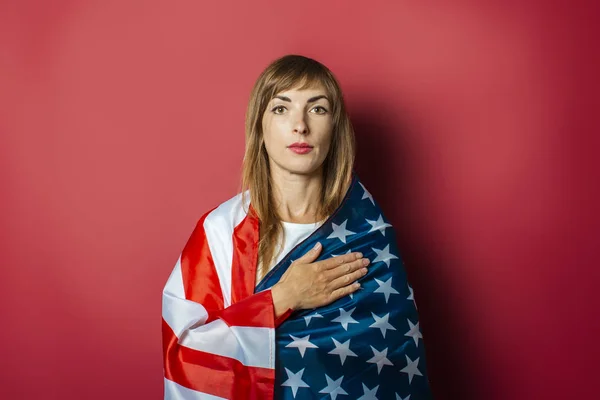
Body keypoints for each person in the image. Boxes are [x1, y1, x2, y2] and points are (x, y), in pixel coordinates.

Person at [162, 54, 433, 399]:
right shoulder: (220, 231)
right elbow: (183, 352)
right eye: (281, 109)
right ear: (259, 127)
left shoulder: (370, 235)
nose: (300, 125)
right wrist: (282, 298)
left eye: (317, 109)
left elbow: (394, 367)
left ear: (335, 127)